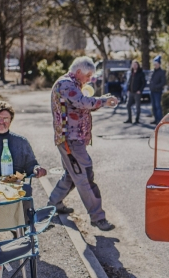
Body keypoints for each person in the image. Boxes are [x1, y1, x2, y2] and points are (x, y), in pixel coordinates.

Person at [47, 56, 119, 231]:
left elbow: (83, 104)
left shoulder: (72, 84)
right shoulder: (66, 84)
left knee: (72, 175)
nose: (90, 80)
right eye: (88, 76)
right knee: (85, 177)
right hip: (70, 141)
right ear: (78, 72)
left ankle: (52, 205)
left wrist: (101, 100)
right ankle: (98, 217)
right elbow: (83, 102)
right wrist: (103, 100)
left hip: (72, 140)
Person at [124, 60, 145, 124]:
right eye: (133, 65)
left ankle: (137, 120)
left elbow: (144, 83)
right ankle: (129, 119)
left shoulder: (141, 73)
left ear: (138, 65)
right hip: (131, 92)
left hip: (137, 93)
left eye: (136, 65)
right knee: (128, 105)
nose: (134, 66)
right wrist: (128, 89)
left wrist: (140, 90)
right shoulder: (131, 72)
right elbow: (129, 82)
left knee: (137, 106)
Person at [149, 55, 166, 125]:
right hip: (152, 91)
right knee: (154, 106)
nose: (155, 65)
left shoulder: (161, 72)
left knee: (158, 106)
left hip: (157, 92)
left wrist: (156, 86)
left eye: (156, 64)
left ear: (159, 64)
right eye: (154, 64)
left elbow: (163, 82)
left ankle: (159, 120)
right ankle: (156, 119)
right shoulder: (154, 72)